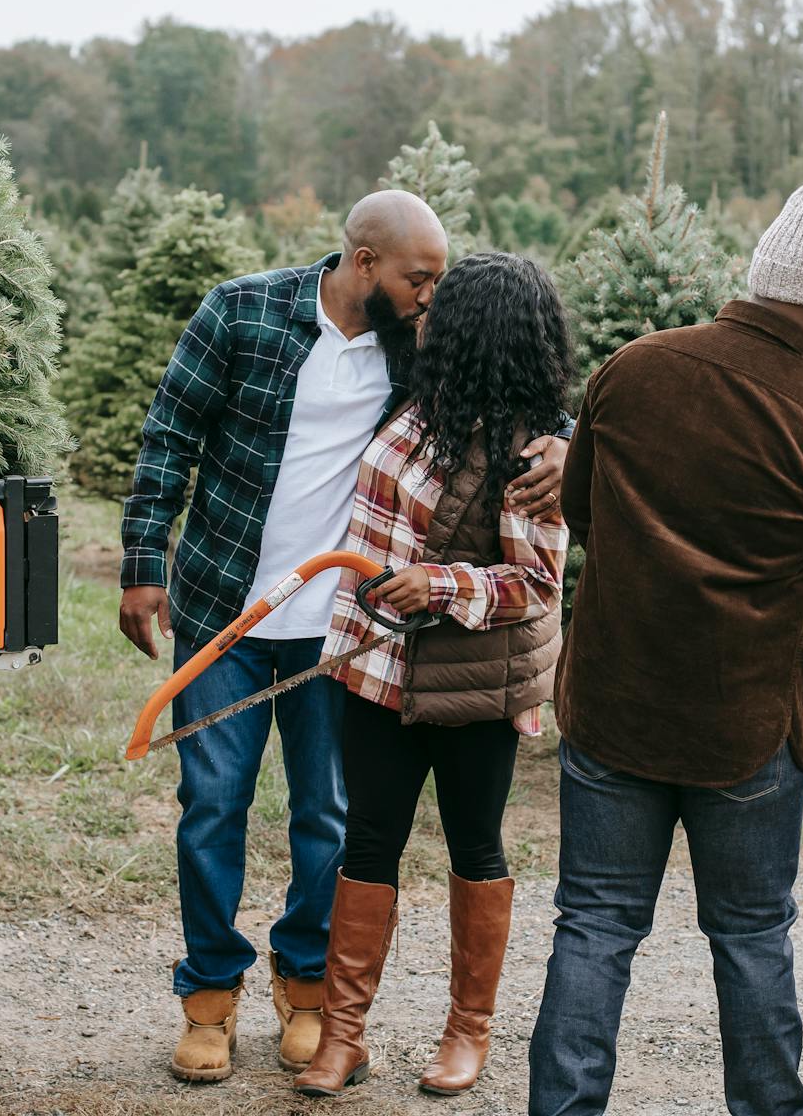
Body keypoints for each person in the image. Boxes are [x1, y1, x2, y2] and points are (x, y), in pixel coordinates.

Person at [528, 179, 803, 1116]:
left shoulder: (631, 369)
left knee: (595, 928)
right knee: (751, 936)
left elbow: (581, 514)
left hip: (612, 712)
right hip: (748, 733)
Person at [119, 193, 568, 1082]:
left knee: (328, 816)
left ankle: (310, 990)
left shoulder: (420, 351)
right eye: (419, 278)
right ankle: (209, 997)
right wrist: (142, 562)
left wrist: (569, 441)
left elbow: (512, 386)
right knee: (213, 804)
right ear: (365, 262)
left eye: (440, 284)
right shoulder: (241, 313)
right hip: (227, 608)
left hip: (343, 633)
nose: (430, 298)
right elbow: (169, 433)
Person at [295, 253, 571, 1099]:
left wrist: (441, 584)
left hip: (472, 686)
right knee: (368, 840)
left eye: (441, 311)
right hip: (375, 665)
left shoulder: (532, 454)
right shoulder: (420, 402)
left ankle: (467, 1033)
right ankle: (343, 1037)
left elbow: (537, 586)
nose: (422, 314)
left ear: (477, 334)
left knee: (474, 846)